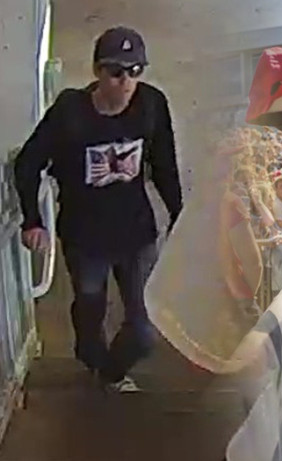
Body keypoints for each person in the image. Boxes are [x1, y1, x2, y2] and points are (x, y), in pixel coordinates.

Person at [13, 27, 182, 392]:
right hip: (85, 234)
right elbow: (28, 163)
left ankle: (110, 372)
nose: (125, 83)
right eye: (116, 72)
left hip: (136, 232)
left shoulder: (151, 105)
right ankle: (91, 354)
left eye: (135, 72)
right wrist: (32, 220)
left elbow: (165, 166)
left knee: (144, 326)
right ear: (97, 71)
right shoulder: (70, 111)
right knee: (91, 308)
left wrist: (181, 218)